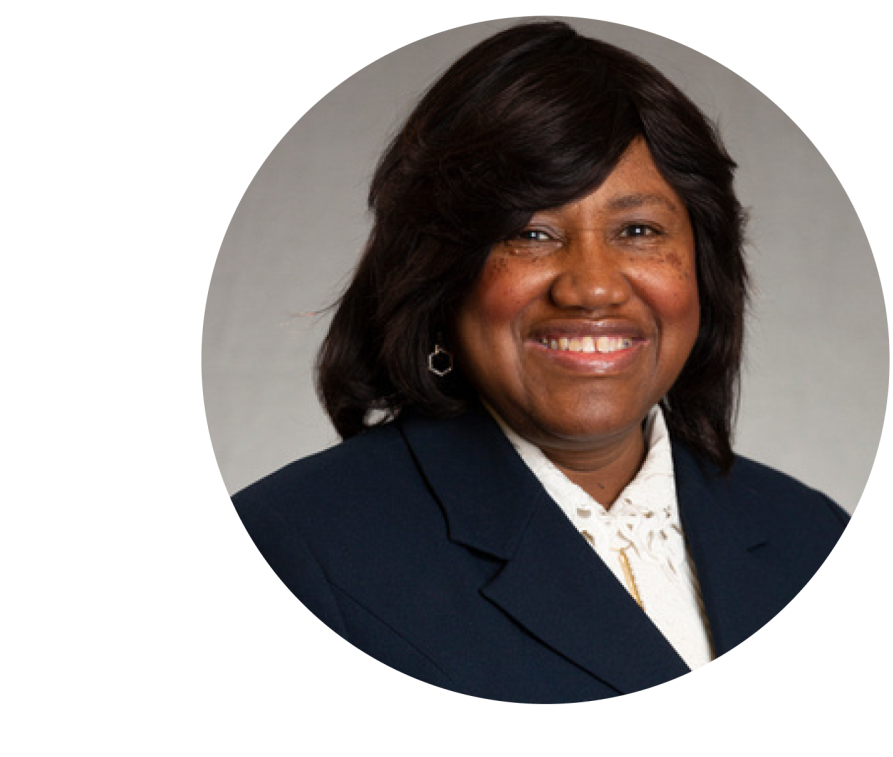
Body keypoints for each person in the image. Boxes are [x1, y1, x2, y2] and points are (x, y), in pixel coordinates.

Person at [232, 20, 849, 704]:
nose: (591, 286)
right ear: (440, 272)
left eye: (638, 230)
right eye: (531, 233)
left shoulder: (812, 533)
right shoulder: (297, 549)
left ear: (705, 270)